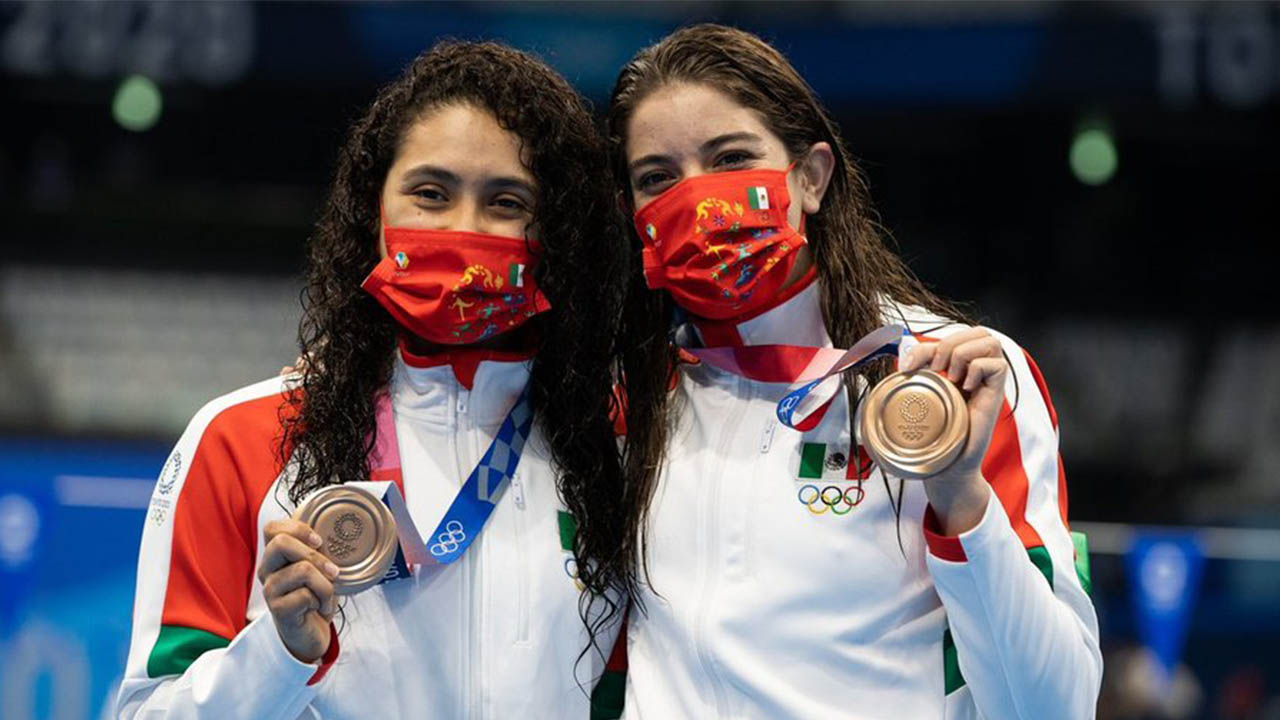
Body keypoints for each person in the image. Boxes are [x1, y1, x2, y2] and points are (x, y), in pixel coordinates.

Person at [595, 24, 1103, 719]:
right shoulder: (628, 399)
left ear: (811, 177)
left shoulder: (953, 382)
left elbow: (1052, 707)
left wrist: (960, 495)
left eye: (731, 158)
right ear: (634, 215)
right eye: (658, 178)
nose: (699, 199)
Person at [116, 41, 628, 719]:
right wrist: (282, 651)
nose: (462, 231)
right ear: (373, 212)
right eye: (430, 193)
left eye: (506, 202)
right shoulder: (241, 437)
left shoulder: (616, 443)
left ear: (557, 233)